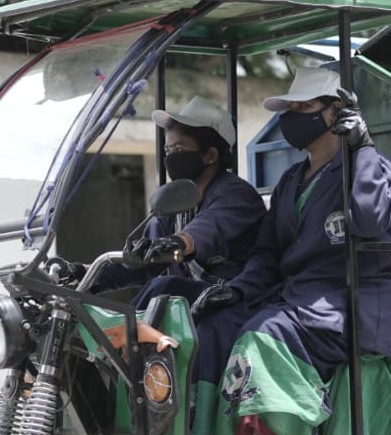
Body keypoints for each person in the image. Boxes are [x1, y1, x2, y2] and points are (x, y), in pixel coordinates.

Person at [188, 66, 391, 435]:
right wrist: (237, 289)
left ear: (337, 112)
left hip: (347, 305)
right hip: (296, 300)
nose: (293, 116)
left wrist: (363, 150)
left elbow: (370, 221)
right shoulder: (291, 181)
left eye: (305, 107)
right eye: (290, 108)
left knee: (264, 335)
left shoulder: (372, 167)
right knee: (214, 329)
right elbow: (267, 255)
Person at [92, 96, 266, 305]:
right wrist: (87, 274)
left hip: (230, 300)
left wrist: (177, 242)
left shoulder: (236, 194)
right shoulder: (177, 202)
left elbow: (208, 229)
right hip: (192, 306)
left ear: (210, 155)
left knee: (165, 288)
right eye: (168, 151)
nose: (171, 158)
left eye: (179, 150)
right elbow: (142, 265)